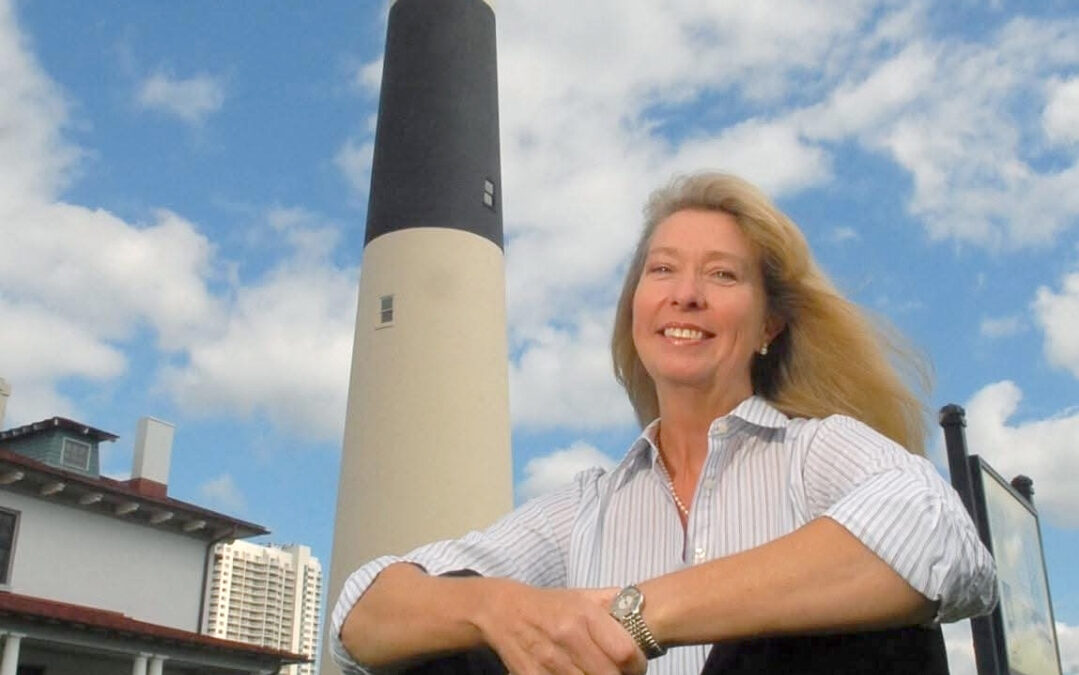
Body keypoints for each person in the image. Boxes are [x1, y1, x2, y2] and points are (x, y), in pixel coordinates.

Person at [330, 172, 997, 675]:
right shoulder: (583, 509)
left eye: (722, 275)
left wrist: (634, 615)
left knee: (831, 625)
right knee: (448, 638)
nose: (686, 294)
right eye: (663, 270)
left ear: (768, 325)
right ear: (635, 310)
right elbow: (359, 613)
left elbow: (934, 532)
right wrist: (498, 609)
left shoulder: (816, 449)